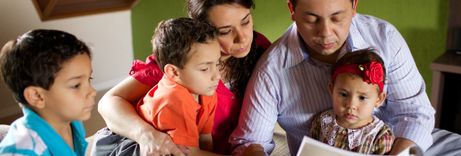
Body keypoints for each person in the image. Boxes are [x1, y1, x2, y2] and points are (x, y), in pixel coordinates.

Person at [229, 0, 436, 155]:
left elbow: (415, 113)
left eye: (337, 18)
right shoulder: (271, 70)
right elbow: (250, 142)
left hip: (399, 147)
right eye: (312, 19)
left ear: (354, 5)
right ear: (292, 9)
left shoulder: (385, 39)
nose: (326, 33)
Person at [95, 0, 271, 155]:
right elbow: (108, 102)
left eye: (246, 21)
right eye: (225, 31)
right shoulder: (178, 69)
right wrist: (146, 134)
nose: (243, 38)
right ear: (203, 30)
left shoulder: (258, 47)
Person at [0, 29, 96, 155]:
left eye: (89, 79)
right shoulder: (23, 151)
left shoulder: (72, 120)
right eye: (76, 85)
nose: (93, 92)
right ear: (37, 96)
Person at [136, 17, 220, 151]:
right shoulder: (174, 100)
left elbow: (205, 139)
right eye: (204, 69)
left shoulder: (206, 90)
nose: (217, 76)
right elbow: (190, 154)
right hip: (133, 147)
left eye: (217, 64)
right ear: (174, 72)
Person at [310, 49, 395, 154]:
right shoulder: (323, 122)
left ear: (379, 99)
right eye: (344, 94)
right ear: (332, 90)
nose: (351, 105)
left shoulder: (380, 136)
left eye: (362, 98)